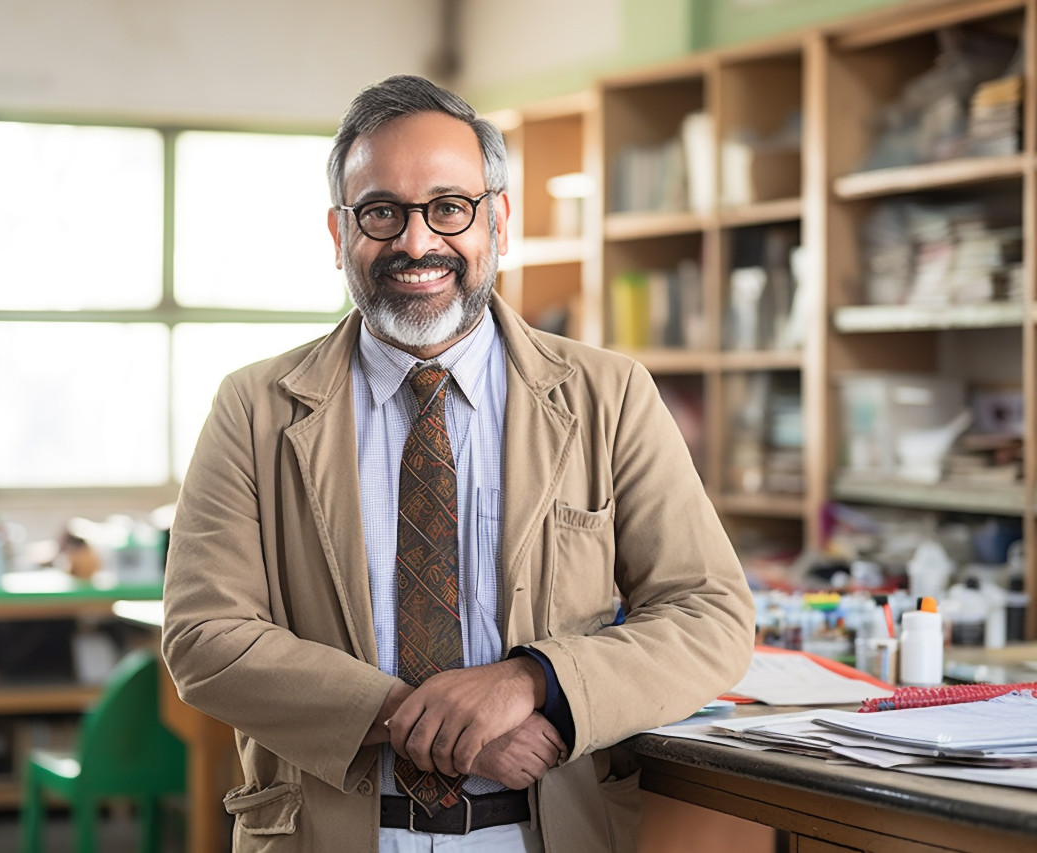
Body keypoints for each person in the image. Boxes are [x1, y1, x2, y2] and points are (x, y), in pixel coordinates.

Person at [162, 74, 755, 853]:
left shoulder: (609, 395)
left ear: (499, 221)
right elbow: (206, 637)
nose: (416, 242)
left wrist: (530, 683)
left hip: (547, 831)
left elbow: (708, 615)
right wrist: (438, 724)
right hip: (329, 834)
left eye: (450, 207)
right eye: (382, 212)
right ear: (340, 233)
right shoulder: (253, 407)